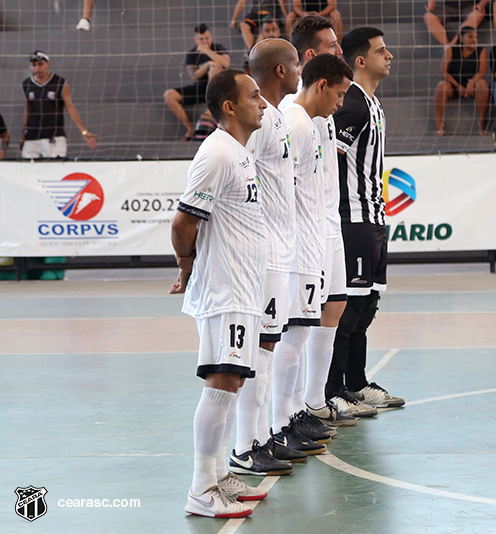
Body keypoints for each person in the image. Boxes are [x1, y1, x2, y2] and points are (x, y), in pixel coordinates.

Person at [170, 67, 270, 518]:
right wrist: (186, 265)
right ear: (229, 107)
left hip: (244, 288)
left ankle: (216, 477)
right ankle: (199, 488)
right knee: (223, 381)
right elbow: (183, 221)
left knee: (233, 381)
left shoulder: (240, 151)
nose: (264, 103)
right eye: (254, 96)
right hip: (225, 289)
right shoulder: (217, 154)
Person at [232, 39, 309, 470]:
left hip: (282, 250)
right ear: (281, 70)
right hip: (261, 253)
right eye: (296, 63)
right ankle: (247, 445)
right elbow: (239, 178)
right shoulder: (257, 118)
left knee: (269, 346)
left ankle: (262, 435)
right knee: (259, 352)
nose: (301, 70)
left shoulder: (276, 116)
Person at [281, 15, 357, 430]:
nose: (339, 50)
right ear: (312, 58)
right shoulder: (296, 114)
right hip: (303, 234)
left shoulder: (324, 112)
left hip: (327, 224)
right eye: (332, 46)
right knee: (298, 324)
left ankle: (313, 399)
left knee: (335, 305)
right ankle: (292, 410)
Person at [328, 27, 405, 416]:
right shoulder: (354, 105)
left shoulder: (372, 104)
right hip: (352, 220)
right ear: (361, 61)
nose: (389, 55)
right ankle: (334, 390)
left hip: (374, 219)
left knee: (368, 305)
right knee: (349, 309)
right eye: (381, 51)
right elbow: (329, 160)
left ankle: (356, 384)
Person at [21, 50, 98, 159]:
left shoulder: (59, 83)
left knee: (53, 170)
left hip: (54, 137)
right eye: (34, 65)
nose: (37, 68)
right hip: (32, 137)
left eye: (40, 64)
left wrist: (83, 131)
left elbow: (70, 107)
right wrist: (23, 134)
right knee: (28, 171)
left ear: (47, 64)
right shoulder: (26, 84)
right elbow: (28, 109)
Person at [164, 24, 231, 141]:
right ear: (196, 40)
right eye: (201, 39)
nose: (205, 41)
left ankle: (210, 108)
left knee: (215, 67)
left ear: (211, 37)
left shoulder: (218, 48)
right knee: (169, 95)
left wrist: (207, 52)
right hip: (200, 87)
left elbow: (226, 63)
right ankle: (190, 128)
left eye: (207, 38)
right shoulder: (192, 53)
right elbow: (194, 76)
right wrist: (207, 65)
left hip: (219, 88)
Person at [433, 26, 490, 136]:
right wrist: (457, 86)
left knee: (482, 84)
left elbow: (482, 73)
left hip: (472, 86)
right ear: (461, 38)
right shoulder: (451, 50)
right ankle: (439, 125)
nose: (474, 40)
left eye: (476, 37)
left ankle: (482, 123)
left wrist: (472, 82)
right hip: (454, 85)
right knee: (442, 86)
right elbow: (444, 73)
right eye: (470, 37)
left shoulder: (481, 51)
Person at [424, 0, 490, 47]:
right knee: (429, 17)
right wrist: (431, 5)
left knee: (477, 15)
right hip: (446, 6)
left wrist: (481, 4)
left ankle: (454, 44)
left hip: (470, 5)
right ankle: (447, 48)